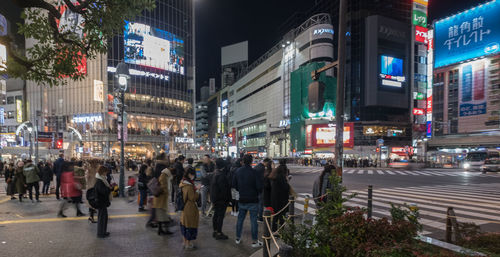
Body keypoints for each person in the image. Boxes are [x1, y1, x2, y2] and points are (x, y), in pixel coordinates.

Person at [233, 154, 263, 247]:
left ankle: (238, 238)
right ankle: (254, 241)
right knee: (253, 221)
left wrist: (241, 190)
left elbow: (234, 184)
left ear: (243, 161)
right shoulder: (254, 172)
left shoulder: (237, 171)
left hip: (242, 199)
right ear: (251, 161)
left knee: (240, 219)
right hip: (253, 199)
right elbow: (259, 187)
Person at [210, 158, 231, 240]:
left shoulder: (214, 173)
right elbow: (224, 190)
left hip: (215, 198)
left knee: (215, 215)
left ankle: (215, 231)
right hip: (221, 200)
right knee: (220, 216)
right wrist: (228, 199)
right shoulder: (221, 175)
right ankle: (219, 232)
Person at [180, 168, 200, 250]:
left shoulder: (183, 182)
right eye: (193, 174)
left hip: (184, 207)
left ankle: (184, 242)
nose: (194, 176)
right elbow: (193, 197)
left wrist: (194, 189)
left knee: (184, 224)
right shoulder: (189, 185)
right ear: (189, 174)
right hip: (189, 208)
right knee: (189, 226)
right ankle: (188, 244)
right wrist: (198, 190)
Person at [267, 163, 290, 232]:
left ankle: (274, 229)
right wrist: (287, 181)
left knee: (275, 216)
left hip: (275, 199)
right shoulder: (282, 177)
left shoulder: (274, 176)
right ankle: (281, 230)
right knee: (281, 216)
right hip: (281, 200)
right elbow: (286, 188)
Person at [153, 163, 173, 235]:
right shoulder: (164, 176)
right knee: (164, 217)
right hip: (161, 200)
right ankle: (165, 230)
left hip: (160, 200)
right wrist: (167, 192)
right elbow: (164, 188)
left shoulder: (164, 175)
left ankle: (161, 230)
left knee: (162, 217)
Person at [95, 165, 112, 238]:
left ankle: (103, 232)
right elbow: (103, 191)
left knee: (104, 217)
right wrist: (109, 189)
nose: (106, 173)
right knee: (102, 217)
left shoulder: (101, 179)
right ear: (103, 172)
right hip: (101, 202)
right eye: (105, 172)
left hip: (102, 201)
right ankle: (101, 233)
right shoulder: (100, 180)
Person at [254, 158, 271, 222]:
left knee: (258, 202)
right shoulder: (262, 168)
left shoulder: (257, 166)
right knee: (260, 203)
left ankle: (257, 216)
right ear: (266, 162)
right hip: (260, 187)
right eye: (268, 163)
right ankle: (260, 217)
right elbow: (262, 179)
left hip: (255, 187)